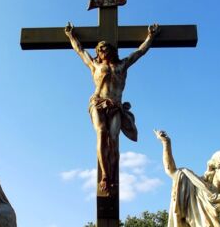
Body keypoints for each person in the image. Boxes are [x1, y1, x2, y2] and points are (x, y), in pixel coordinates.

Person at [65, 22, 160, 193]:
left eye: (105, 48)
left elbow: (139, 52)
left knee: (114, 140)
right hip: (98, 102)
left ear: (111, 50)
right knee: (101, 133)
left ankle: (113, 175)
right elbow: (80, 51)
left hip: (116, 105)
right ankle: (105, 176)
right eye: (99, 49)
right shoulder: (95, 65)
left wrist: (150, 37)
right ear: (97, 53)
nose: (102, 51)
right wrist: (71, 36)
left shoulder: (122, 65)